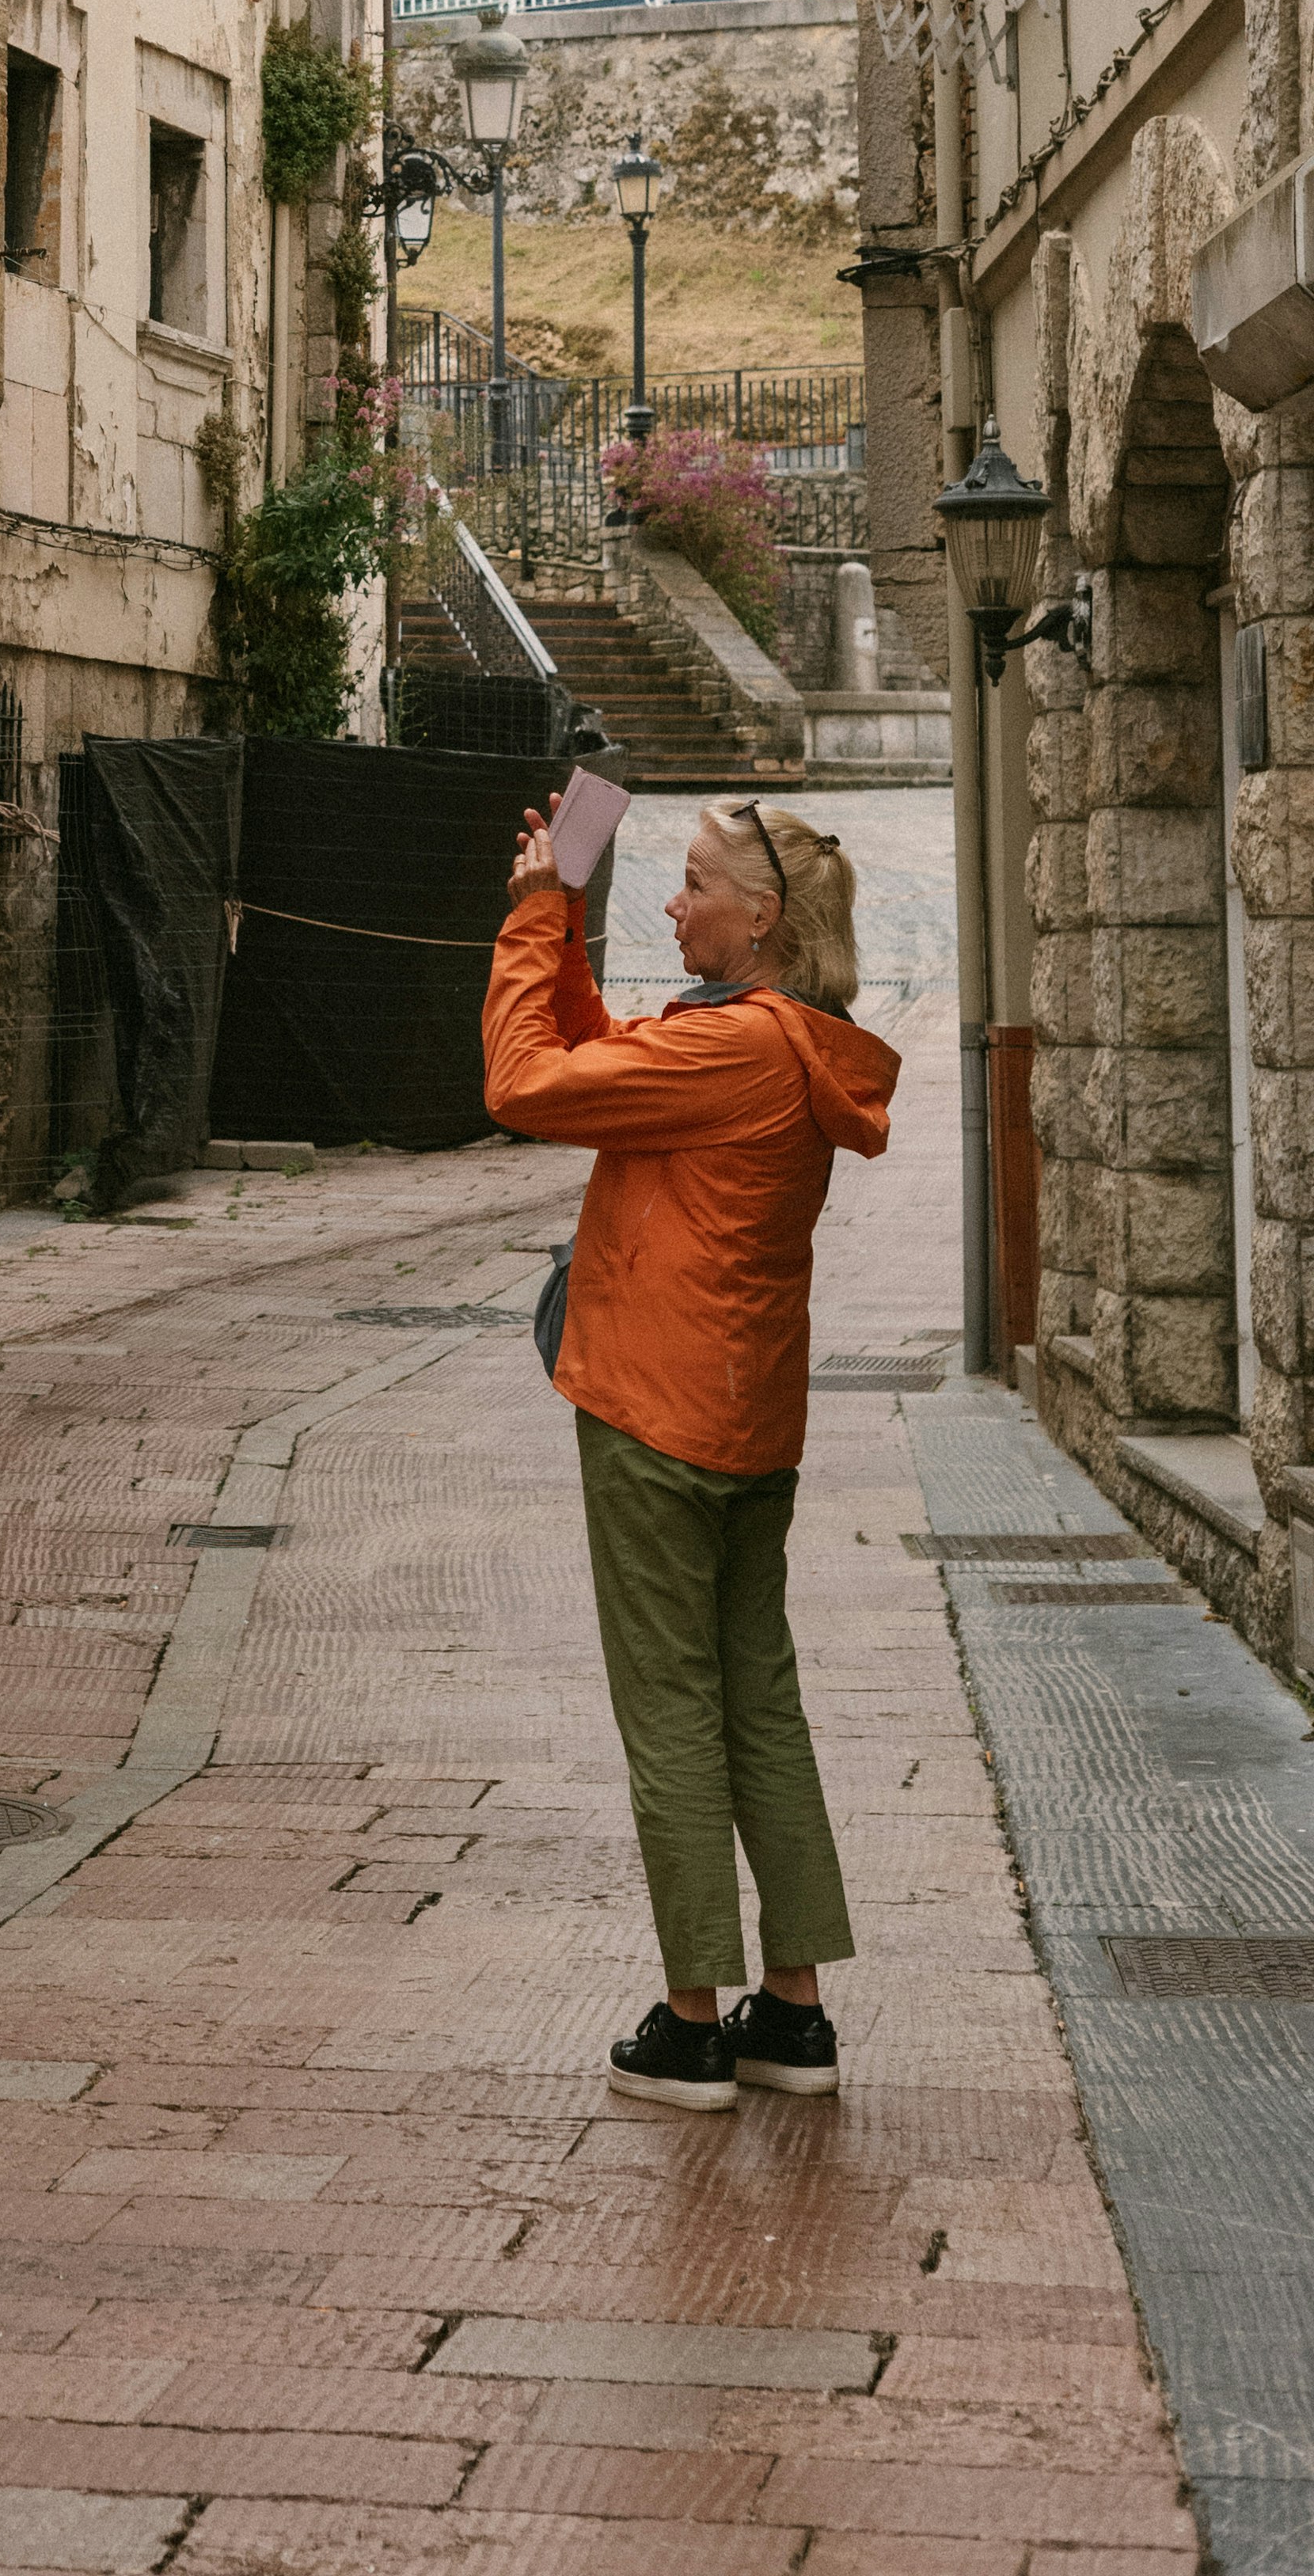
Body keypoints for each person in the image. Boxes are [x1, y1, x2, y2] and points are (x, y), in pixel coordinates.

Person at [484, 795, 899, 2113]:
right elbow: (611, 1057)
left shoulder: (734, 1052)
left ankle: (689, 2024)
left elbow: (526, 1084)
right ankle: (792, 2015)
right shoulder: (780, 1044)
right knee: (755, 1698)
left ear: (762, 917)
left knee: (672, 1705)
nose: (674, 907)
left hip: (657, 1413)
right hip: (747, 1415)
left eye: (692, 885)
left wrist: (533, 916)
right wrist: (561, 919)